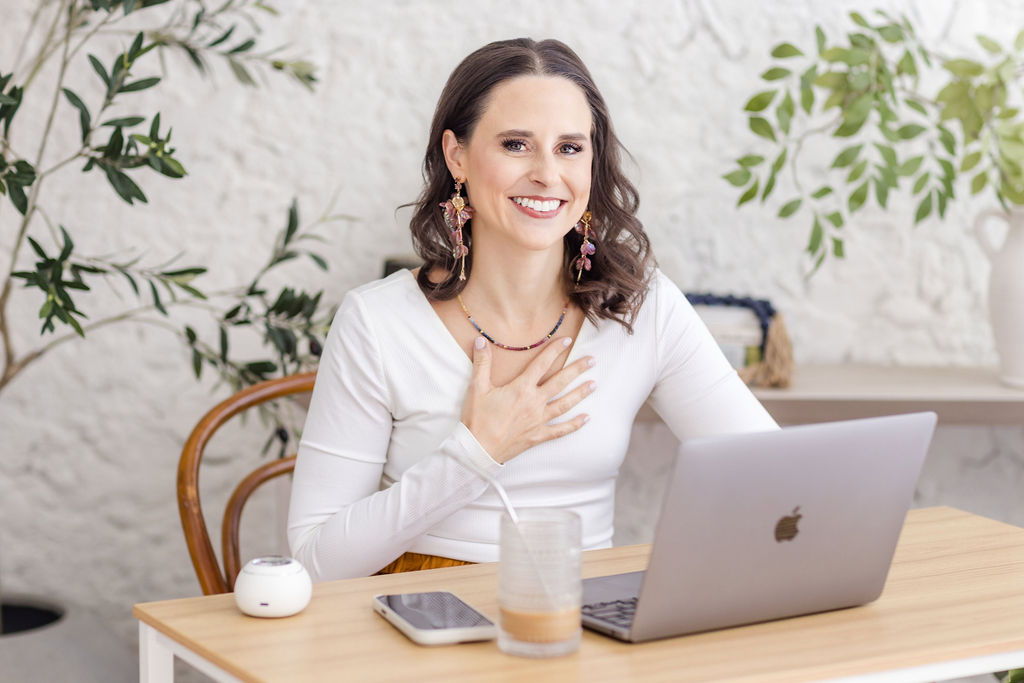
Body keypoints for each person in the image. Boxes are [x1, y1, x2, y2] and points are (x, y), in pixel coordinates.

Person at [287, 38, 777, 582]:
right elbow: (313, 560)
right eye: (516, 144)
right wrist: (476, 452)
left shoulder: (644, 308)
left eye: (570, 148)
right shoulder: (377, 322)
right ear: (458, 156)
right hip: (420, 619)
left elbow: (772, 474)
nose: (547, 174)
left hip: (580, 616)